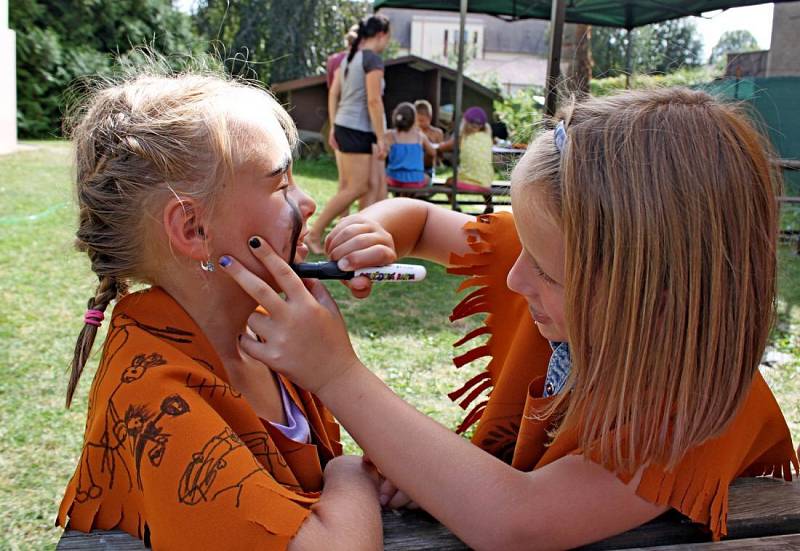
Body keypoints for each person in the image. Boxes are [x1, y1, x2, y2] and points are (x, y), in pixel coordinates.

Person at [218, 88, 798, 549]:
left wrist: (335, 374)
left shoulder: (700, 411)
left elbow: (515, 521)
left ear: (655, 297)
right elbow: (419, 222)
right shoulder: (561, 249)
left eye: (546, 271)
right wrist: (379, 230)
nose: (516, 279)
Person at [56, 69, 382, 550]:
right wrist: (351, 475)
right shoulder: (149, 388)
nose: (309, 201)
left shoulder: (268, 333)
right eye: (281, 184)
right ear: (193, 229)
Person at [309, 14, 391, 254]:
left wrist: (334, 125)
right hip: (358, 128)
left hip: (346, 125)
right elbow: (374, 101)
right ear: (381, 35)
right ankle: (314, 233)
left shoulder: (349, 58)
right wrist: (380, 137)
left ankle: (343, 236)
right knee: (356, 187)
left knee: (353, 186)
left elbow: (334, 93)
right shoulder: (372, 59)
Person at [326, 24, 359, 194]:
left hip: (338, 118)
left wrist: (333, 125)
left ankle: (344, 216)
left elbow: (332, 92)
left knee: (344, 178)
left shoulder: (333, 60)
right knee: (361, 183)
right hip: (356, 123)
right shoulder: (361, 60)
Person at [438, 106, 494, 193]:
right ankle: (489, 205)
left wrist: (441, 144)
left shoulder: (463, 137)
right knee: (482, 179)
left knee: (448, 181)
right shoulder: (487, 136)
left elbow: (443, 147)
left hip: (466, 182)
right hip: (486, 183)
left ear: (465, 123)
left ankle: (455, 205)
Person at [384, 102, 438, 191]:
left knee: (383, 175)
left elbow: (383, 152)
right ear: (414, 120)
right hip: (415, 180)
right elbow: (432, 152)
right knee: (427, 179)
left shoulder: (390, 135)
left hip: (394, 179)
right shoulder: (419, 136)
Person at [413, 99, 444, 177]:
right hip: (414, 166)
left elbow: (440, 154)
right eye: (417, 121)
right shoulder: (412, 133)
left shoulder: (437, 133)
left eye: (422, 120)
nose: (419, 123)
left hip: (429, 167)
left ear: (429, 118)